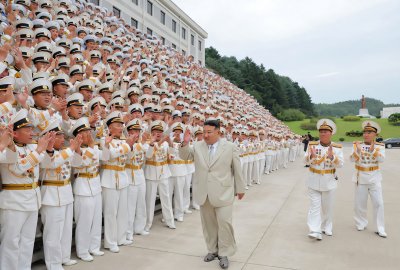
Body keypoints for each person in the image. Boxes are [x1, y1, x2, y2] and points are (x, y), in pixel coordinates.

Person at [179, 119, 245, 269]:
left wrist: (240, 188)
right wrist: (185, 143)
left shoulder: (229, 147)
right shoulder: (197, 146)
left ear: (218, 132)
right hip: (204, 193)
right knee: (208, 225)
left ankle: (224, 253)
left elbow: (237, 168)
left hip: (224, 192)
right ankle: (212, 250)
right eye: (204, 132)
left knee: (224, 224)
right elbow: (184, 156)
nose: (206, 135)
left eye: (209, 132)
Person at [304, 119, 343, 240]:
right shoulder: (312, 145)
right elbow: (304, 160)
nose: (322, 133)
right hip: (314, 180)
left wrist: (332, 157)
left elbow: (341, 164)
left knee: (328, 208)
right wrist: (311, 156)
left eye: (325, 131)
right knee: (314, 207)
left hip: (329, 181)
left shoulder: (337, 147)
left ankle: (327, 226)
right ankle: (315, 230)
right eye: (321, 131)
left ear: (331, 133)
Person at [350, 121, 387, 238]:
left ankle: (379, 228)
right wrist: (358, 151)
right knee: (360, 203)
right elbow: (351, 159)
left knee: (379, 203)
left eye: (369, 132)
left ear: (375, 134)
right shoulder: (357, 145)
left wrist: (373, 150)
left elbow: (382, 160)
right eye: (365, 132)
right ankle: (361, 222)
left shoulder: (380, 146)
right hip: (360, 177)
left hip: (375, 178)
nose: (366, 134)